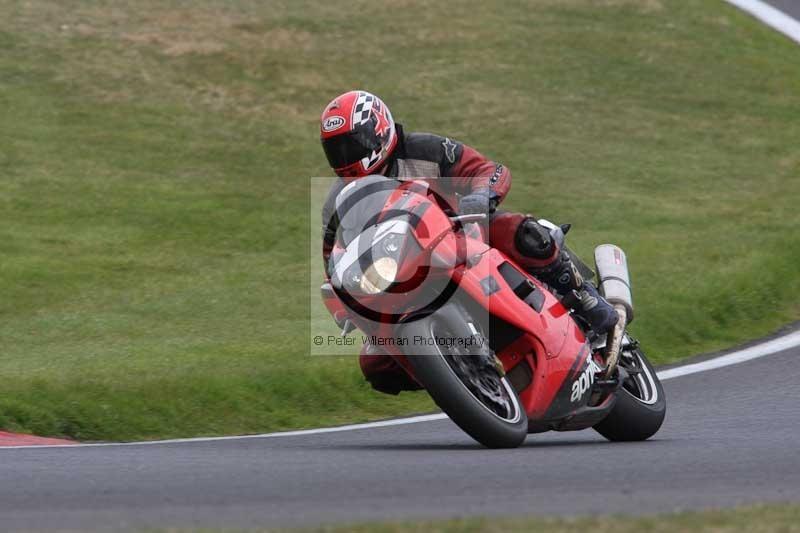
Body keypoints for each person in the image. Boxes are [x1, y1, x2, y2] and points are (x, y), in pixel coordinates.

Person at [320, 90, 618, 394]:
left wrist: (481, 195)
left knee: (522, 233)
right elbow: (334, 259)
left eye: (352, 144)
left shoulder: (424, 149)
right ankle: (455, 374)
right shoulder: (338, 202)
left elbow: (488, 170)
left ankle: (583, 296)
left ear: (379, 129)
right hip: (404, 276)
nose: (345, 156)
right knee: (376, 366)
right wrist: (343, 299)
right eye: (336, 150)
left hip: (462, 234)